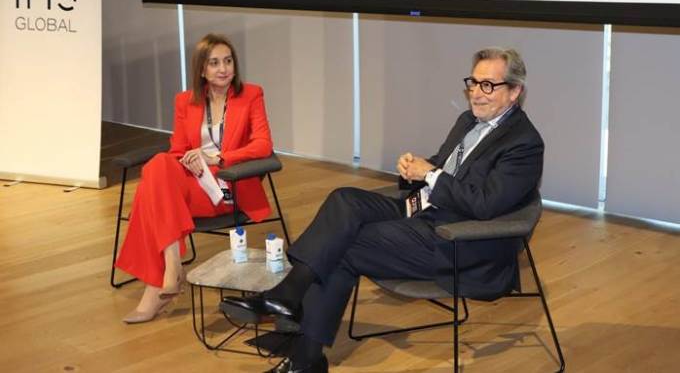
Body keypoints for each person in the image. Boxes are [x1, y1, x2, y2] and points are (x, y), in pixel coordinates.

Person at [221, 47, 544, 373]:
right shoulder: (468, 120)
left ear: (514, 91)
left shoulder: (524, 143)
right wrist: (414, 169)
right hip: (422, 211)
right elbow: (447, 166)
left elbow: (486, 203)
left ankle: (302, 350)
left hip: (456, 241)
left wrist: (431, 174)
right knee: (343, 200)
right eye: (473, 83)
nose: (476, 93)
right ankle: (288, 300)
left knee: (345, 245)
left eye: (488, 85)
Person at [116, 33, 273, 324]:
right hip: (194, 181)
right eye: (214, 63)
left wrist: (219, 158)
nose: (223, 69)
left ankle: (161, 284)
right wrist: (190, 159)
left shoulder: (251, 95)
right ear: (201, 69)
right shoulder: (185, 101)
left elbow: (263, 145)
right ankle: (172, 264)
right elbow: (177, 150)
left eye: (228, 61)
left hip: (228, 184)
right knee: (159, 165)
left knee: (151, 195)